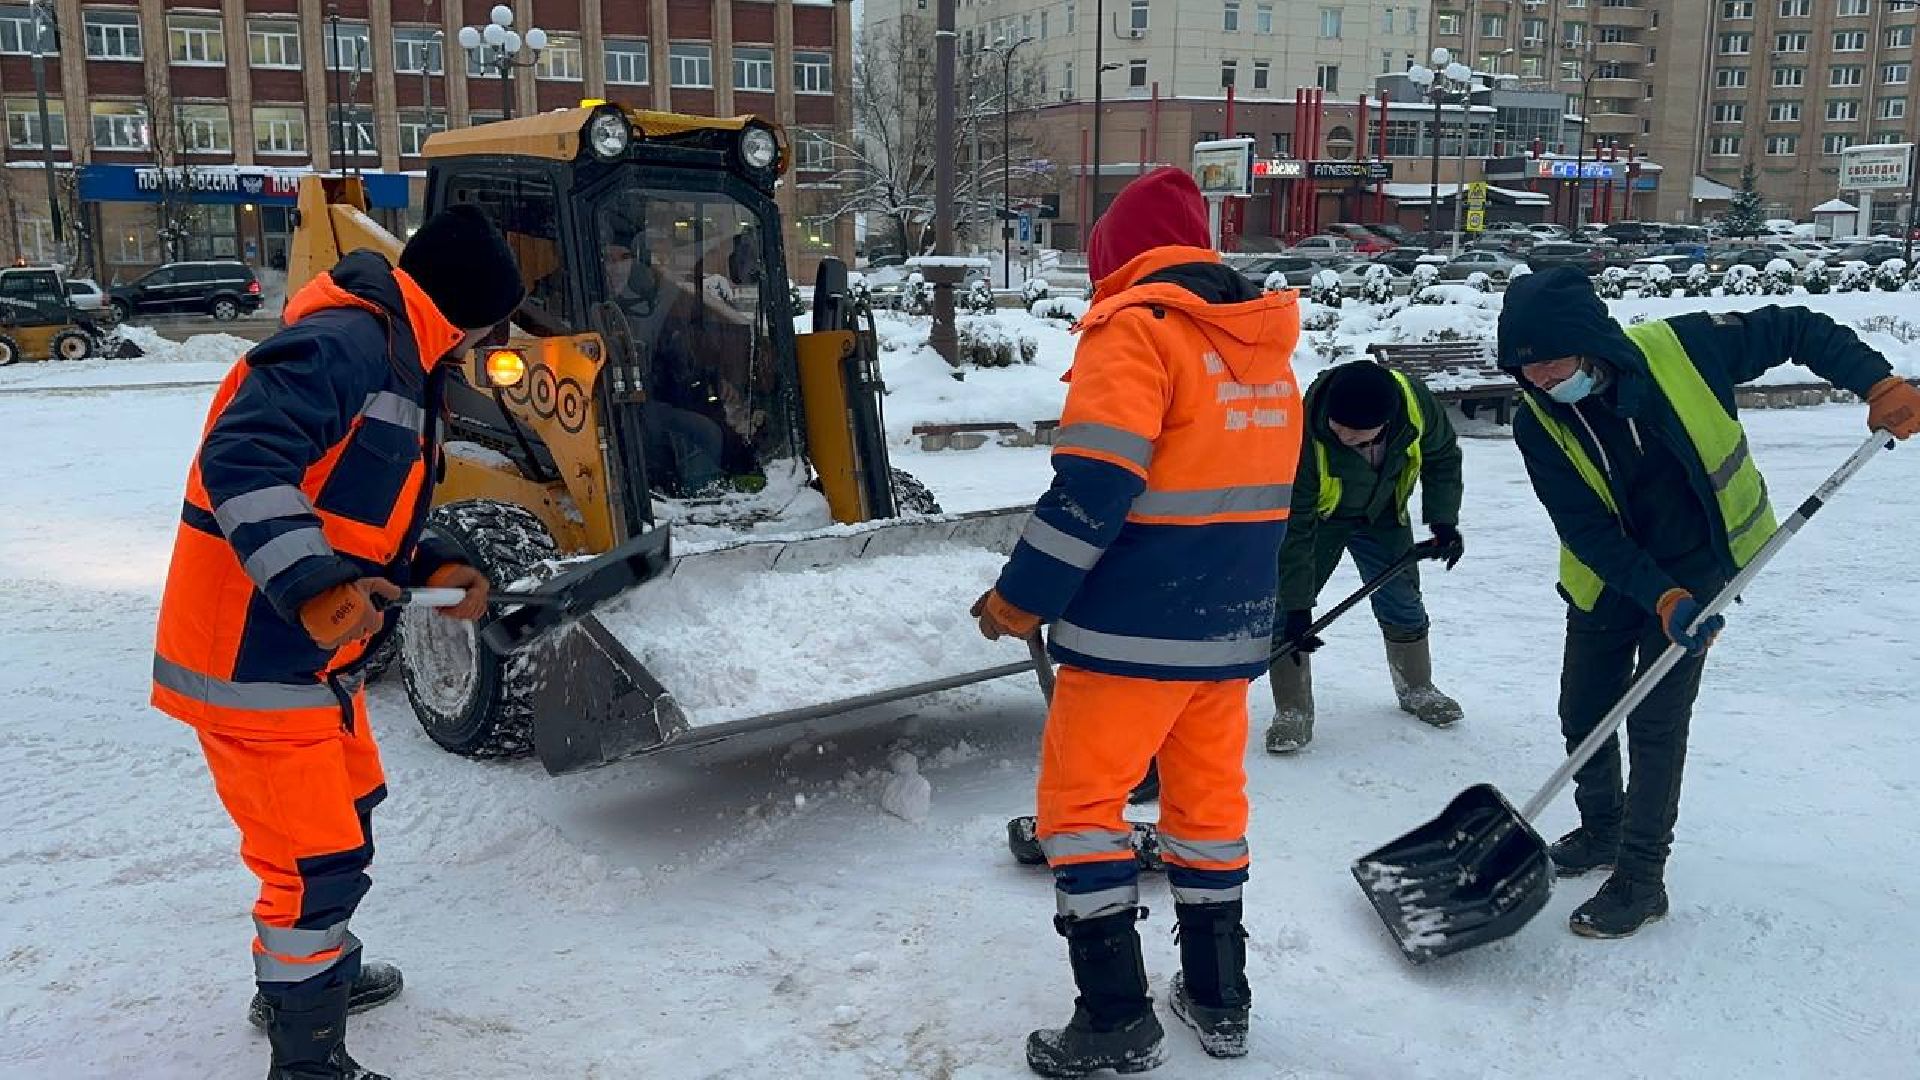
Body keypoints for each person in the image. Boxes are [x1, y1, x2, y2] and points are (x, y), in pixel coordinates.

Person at [151, 206, 525, 1079]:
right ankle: (307, 1060)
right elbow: (241, 459)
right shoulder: (348, 345)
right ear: (471, 308)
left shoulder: (403, 355)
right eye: (496, 320)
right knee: (312, 861)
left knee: (346, 816)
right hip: (254, 654)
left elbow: (354, 502)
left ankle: (309, 980)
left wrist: (436, 562)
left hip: (314, 659)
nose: (491, 340)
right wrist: (315, 582)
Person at [972, 167, 1303, 1074]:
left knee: (1080, 811)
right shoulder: (1262, 348)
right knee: (1204, 810)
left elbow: (1094, 490)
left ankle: (1115, 1018)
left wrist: (1019, 600)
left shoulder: (1137, 334)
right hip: (1228, 634)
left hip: (1126, 634)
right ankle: (1218, 998)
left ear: (1116, 258)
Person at [1497, 266, 1920, 939]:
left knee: (1657, 721)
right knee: (1584, 710)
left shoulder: (1685, 348)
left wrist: (1876, 381)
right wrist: (1654, 593)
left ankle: (1641, 876)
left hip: (1702, 565)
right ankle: (1604, 828)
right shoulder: (1538, 423)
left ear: (1588, 341)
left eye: (1553, 366)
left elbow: (1796, 327)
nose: (1544, 384)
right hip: (1610, 574)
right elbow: (1584, 527)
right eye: (1529, 375)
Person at [1267, 359, 1465, 753]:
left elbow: (1442, 455)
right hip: (1322, 521)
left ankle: (1417, 688)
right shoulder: (1302, 432)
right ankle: (1292, 709)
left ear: (1386, 424)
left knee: (1404, 601)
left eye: (1357, 437)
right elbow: (1297, 529)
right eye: (1337, 429)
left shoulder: (1413, 405)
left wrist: (1443, 520)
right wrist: (1298, 607)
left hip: (1384, 513)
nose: (1342, 438)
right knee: (1285, 612)